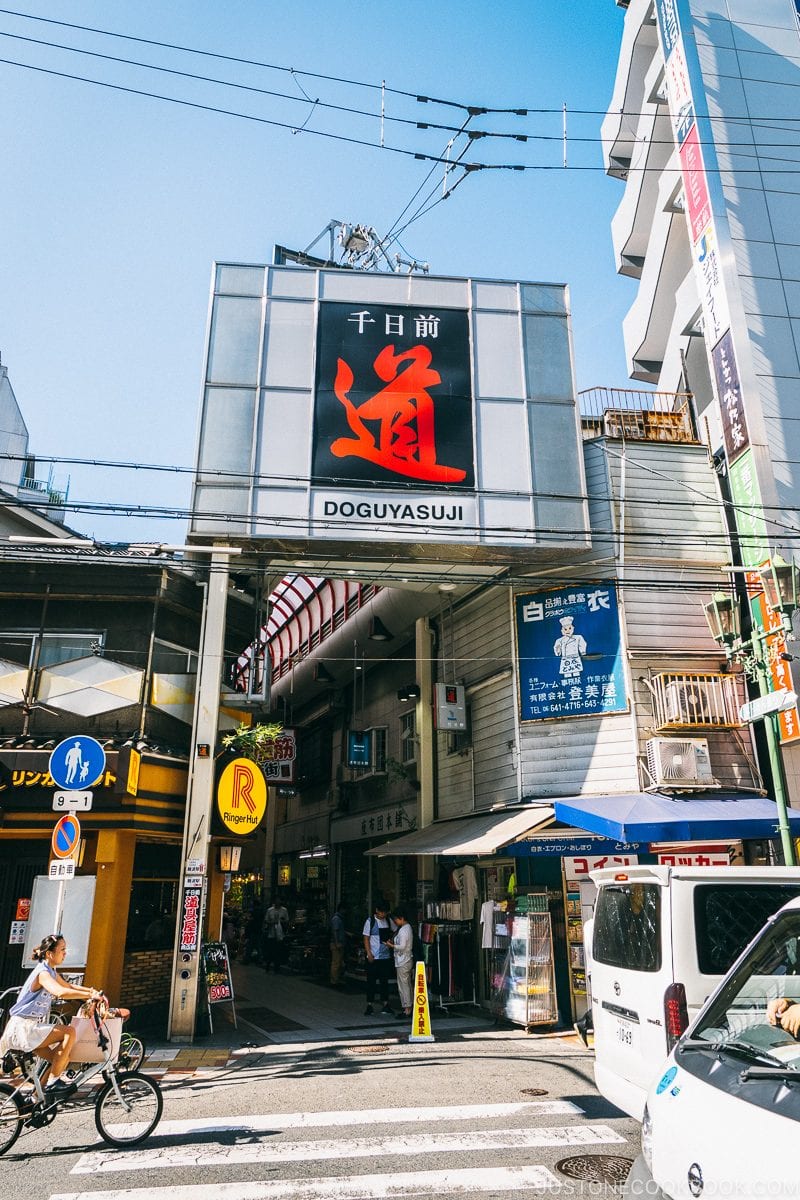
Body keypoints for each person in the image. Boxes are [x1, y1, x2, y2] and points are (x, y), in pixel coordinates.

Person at [0, 932, 106, 1099]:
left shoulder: (50, 970)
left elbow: (68, 985)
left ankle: (36, 1098)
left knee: (61, 1059)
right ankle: (53, 1083)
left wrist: (91, 991)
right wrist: (89, 996)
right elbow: (60, 991)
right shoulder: (42, 973)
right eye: (62, 949)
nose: (65, 953)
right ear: (50, 954)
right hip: (23, 1027)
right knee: (69, 1032)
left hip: (28, 1027)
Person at [362, 900, 395, 1016]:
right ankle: (369, 1005)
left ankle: (385, 1004)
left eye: (385, 913)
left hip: (385, 957)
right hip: (373, 956)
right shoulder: (370, 921)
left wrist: (391, 940)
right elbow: (366, 938)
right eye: (381, 912)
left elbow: (395, 932)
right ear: (377, 911)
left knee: (384, 982)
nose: (383, 915)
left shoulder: (389, 921)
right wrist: (369, 953)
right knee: (371, 981)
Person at [387, 908, 413, 1019]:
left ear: (401, 918)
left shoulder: (404, 930)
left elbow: (402, 946)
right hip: (405, 960)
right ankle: (409, 1007)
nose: (395, 922)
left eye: (396, 920)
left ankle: (407, 1009)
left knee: (403, 986)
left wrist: (392, 946)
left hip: (403, 960)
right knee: (406, 984)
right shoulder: (406, 928)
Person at [262, 896, 289, 973]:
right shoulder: (270, 910)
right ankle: (268, 965)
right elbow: (266, 920)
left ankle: (276, 967)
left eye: (279, 900)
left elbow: (287, 920)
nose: (278, 902)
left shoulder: (284, 910)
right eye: (276, 900)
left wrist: (282, 923)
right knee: (270, 951)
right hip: (271, 933)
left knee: (278, 951)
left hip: (280, 934)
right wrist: (272, 923)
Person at [329, 901, 346, 987]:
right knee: (336, 962)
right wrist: (337, 943)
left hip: (340, 943)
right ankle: (334, 981)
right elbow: (335, 931)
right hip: (337, 944)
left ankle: (336, 979)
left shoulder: (339, 919)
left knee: (339, 962)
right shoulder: (336, 919)